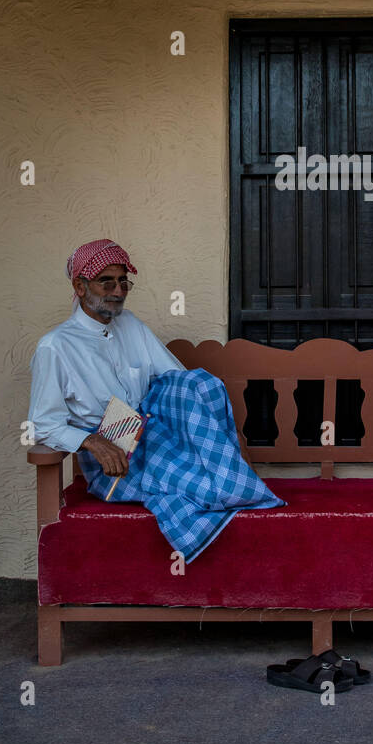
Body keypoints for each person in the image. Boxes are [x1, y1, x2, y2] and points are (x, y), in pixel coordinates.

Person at [28, 238, 284, 562]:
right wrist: (94, 442)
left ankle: (236, 480)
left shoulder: (130, 324)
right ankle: (243, 493)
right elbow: (43, 424)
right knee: (201, 485)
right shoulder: (55, 347)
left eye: (124, 282)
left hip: (154, 435)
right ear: (80, 286)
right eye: (107, 282)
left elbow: (178, 381)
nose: (118, 291)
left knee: (199, 383)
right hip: (113, 459)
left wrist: (219, 430)